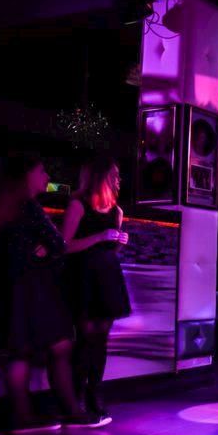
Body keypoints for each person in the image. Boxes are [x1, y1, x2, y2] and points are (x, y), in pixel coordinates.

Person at [0, 155, 108, 432]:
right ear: (26, 175)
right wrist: (46, 248)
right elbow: (59, 244)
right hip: (35, 288)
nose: (47, 177)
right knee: (60, 345)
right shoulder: (29, 206)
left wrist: (44, 248)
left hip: (10, 289)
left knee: (19, 352)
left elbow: (1, 250)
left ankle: (23, 417)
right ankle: (71, 411)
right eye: (42, 171)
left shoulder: (4, 205)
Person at [62, 157, 131, 420]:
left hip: (107, 276)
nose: (118, 180)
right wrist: (100, 237)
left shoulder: (117, 211)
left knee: (101, 341)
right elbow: (65, 245)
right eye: (114, 175)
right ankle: (76, 398)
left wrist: (119, 243)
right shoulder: (78, 205)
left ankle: (94, 394)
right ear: (101, 177)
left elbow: (110, 251)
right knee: (84, 338)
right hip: (82, 277)